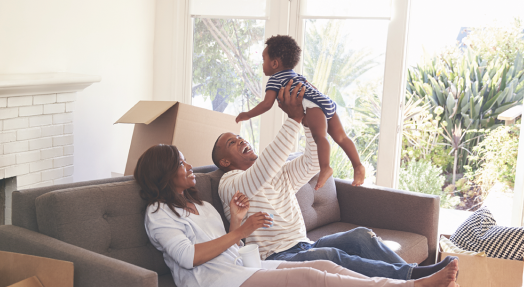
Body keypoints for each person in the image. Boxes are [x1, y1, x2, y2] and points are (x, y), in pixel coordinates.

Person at [217, 79, 458, 281]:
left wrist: (309, 118)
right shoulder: (230, 183)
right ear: (225, 162)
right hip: (276, 257)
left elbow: (312, 163)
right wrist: (292, 119)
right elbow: (261, 172)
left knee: (361, 235)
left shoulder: (279, 173)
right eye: (232, 143)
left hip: (304, 245)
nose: (241, 141)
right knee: (332, 255)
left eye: (240, 137)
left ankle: (415, 274)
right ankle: (414, 279)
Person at [135, 144, 460, 287]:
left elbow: (230, 249)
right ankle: (410, 285)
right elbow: (190, 258)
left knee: (327, 264)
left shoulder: (201, 206)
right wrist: (240, 229)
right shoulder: (161, 212)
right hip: (215, 282)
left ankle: (403, 277)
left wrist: (236, 221)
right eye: (180, 163)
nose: (188, 167)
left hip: (241, 267)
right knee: (311, 276)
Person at [235, 34, 365, 189]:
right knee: (342, 137)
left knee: (320, 136)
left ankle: (325, 167)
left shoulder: (275, 79)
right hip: (325, 100)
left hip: (312, 105)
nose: (262, 64)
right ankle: (357, 166)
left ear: (275, 63)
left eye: (264, 60)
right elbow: (312, 89)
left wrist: (247, 114)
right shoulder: (297, 76)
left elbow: (267, 104)